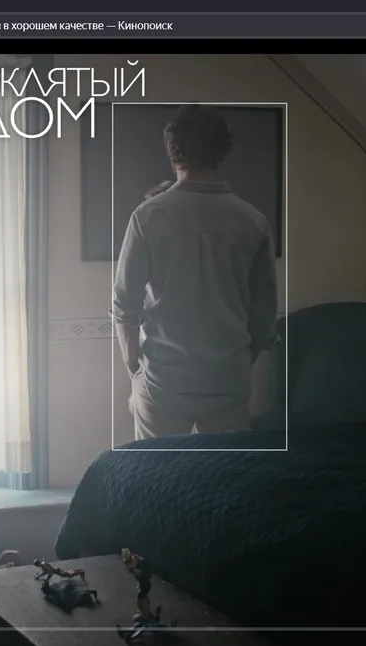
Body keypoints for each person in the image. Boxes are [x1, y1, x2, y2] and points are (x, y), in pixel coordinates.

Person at [111, 105, 278, 440]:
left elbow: (124, 305)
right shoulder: (253, 221)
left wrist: (135, 370)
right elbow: (264, 314)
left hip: (163, 380)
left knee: (156, 472)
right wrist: (238, 363)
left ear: (173, 152)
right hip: (227, 379)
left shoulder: (147, 217)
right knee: (225, 471)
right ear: (222, 151)